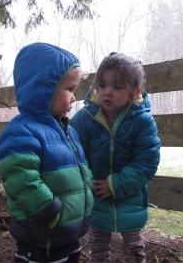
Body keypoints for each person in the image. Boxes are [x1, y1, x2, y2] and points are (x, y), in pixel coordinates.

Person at [0, 42, 94, 263]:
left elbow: (80, 168)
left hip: (68, 235)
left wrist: (88, 196)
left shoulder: (67, 131)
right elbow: (21, 180)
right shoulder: (21, 133)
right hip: (43, 239)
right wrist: (51, 213)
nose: (74, 98)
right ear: (43, 88)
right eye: (69, 89)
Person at [70, 52, 161, 262]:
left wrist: (116, 184)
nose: (106, 92)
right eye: (101, 85)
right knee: (97, 247)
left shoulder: (143, 122)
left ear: (134, 92)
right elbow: (75, 153)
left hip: (130, 196)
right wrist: (87, 182)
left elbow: (146, 162)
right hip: (96, 195)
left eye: (117, 87)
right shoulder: (85, 118)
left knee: (134, 247)